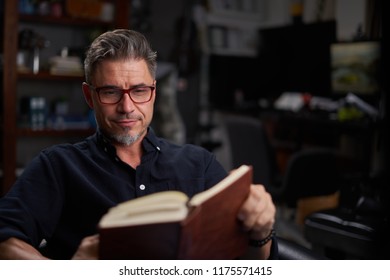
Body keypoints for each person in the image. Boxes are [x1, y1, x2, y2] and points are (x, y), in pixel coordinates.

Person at [0, 29, 276, 260]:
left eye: (139, 91)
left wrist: (261, 229)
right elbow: (5, 242)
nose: (127, 107)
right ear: (89, 96)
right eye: (110, 92)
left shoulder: (200, 164)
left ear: (153, 92)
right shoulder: (58, 165)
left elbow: (249, 263)